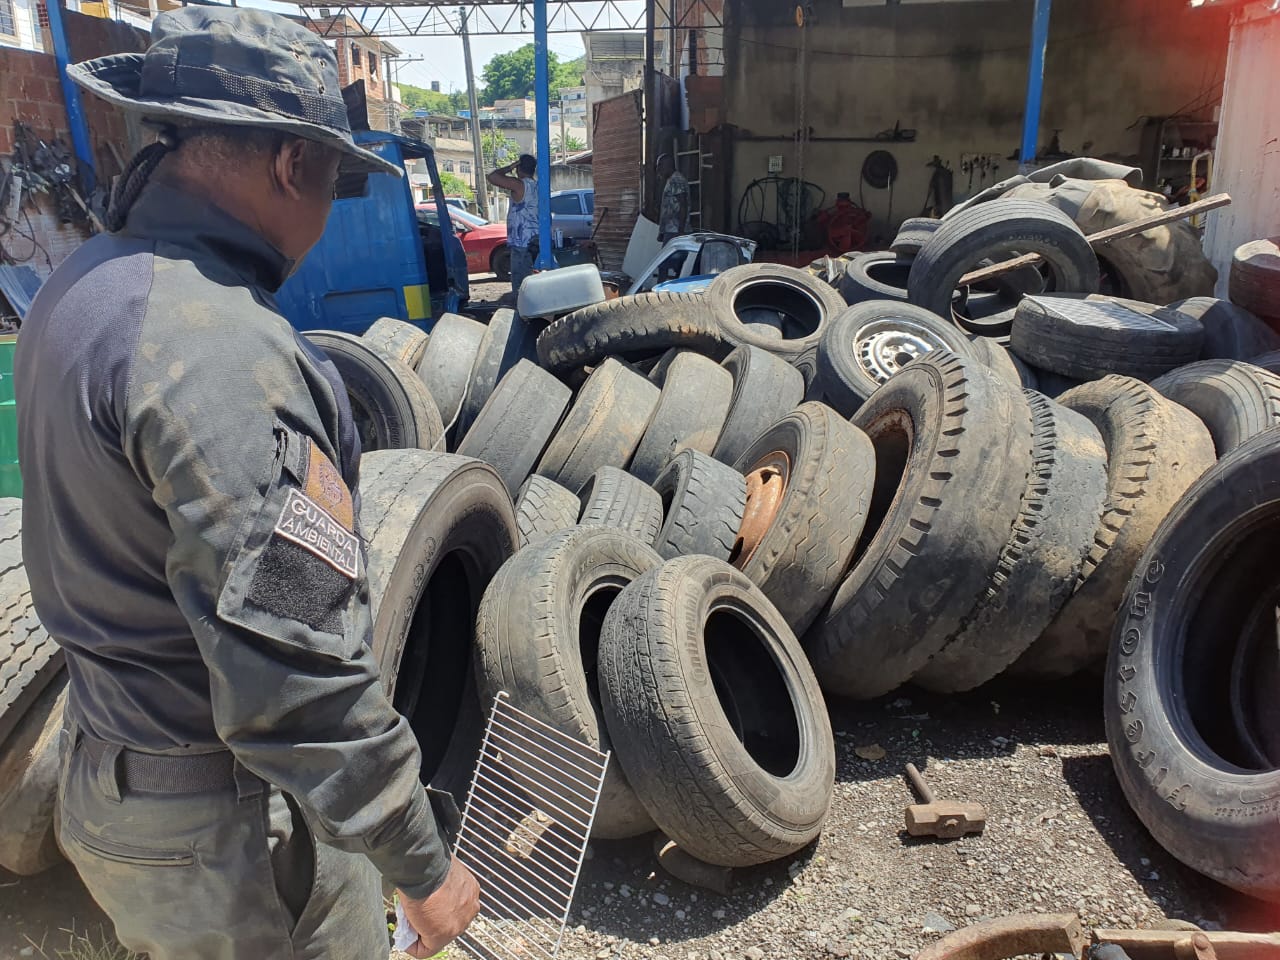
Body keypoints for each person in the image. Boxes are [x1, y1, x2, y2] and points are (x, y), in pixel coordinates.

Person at [14, 9, 478, 960]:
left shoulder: (80, 287)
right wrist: (420, 867)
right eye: (334, 183)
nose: (324, 217)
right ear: (290, 165)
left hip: (115, 785)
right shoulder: (219, 352)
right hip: (230, 836)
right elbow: (292, 661)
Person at [487, 154, 539, 293]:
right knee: (533, 282)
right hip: (536, 239)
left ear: (519, 169)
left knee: (521, 286)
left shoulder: (519, 185)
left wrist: (510, 166)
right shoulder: (538, 186)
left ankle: (522, 311)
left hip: (522, 241)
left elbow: (492, 177)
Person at [657, 152, 690, 243]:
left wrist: (681, 231)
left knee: (667, 257)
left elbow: (683, 204)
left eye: (660, 165)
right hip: (670, 231)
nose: (658, 169)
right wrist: (662, 231)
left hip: (675, 231)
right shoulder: (671, 180)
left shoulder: (676, 180)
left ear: (668, 165)